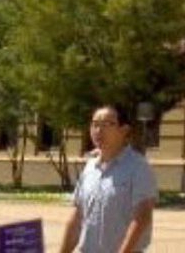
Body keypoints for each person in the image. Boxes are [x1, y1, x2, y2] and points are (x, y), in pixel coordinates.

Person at [59, 104, 158, 253]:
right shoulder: (90, 167)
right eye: (95, 124)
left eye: (107, 124)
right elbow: (77, 219)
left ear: (124, 130)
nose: (98, 130)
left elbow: (142, 217)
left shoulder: (138, 167)